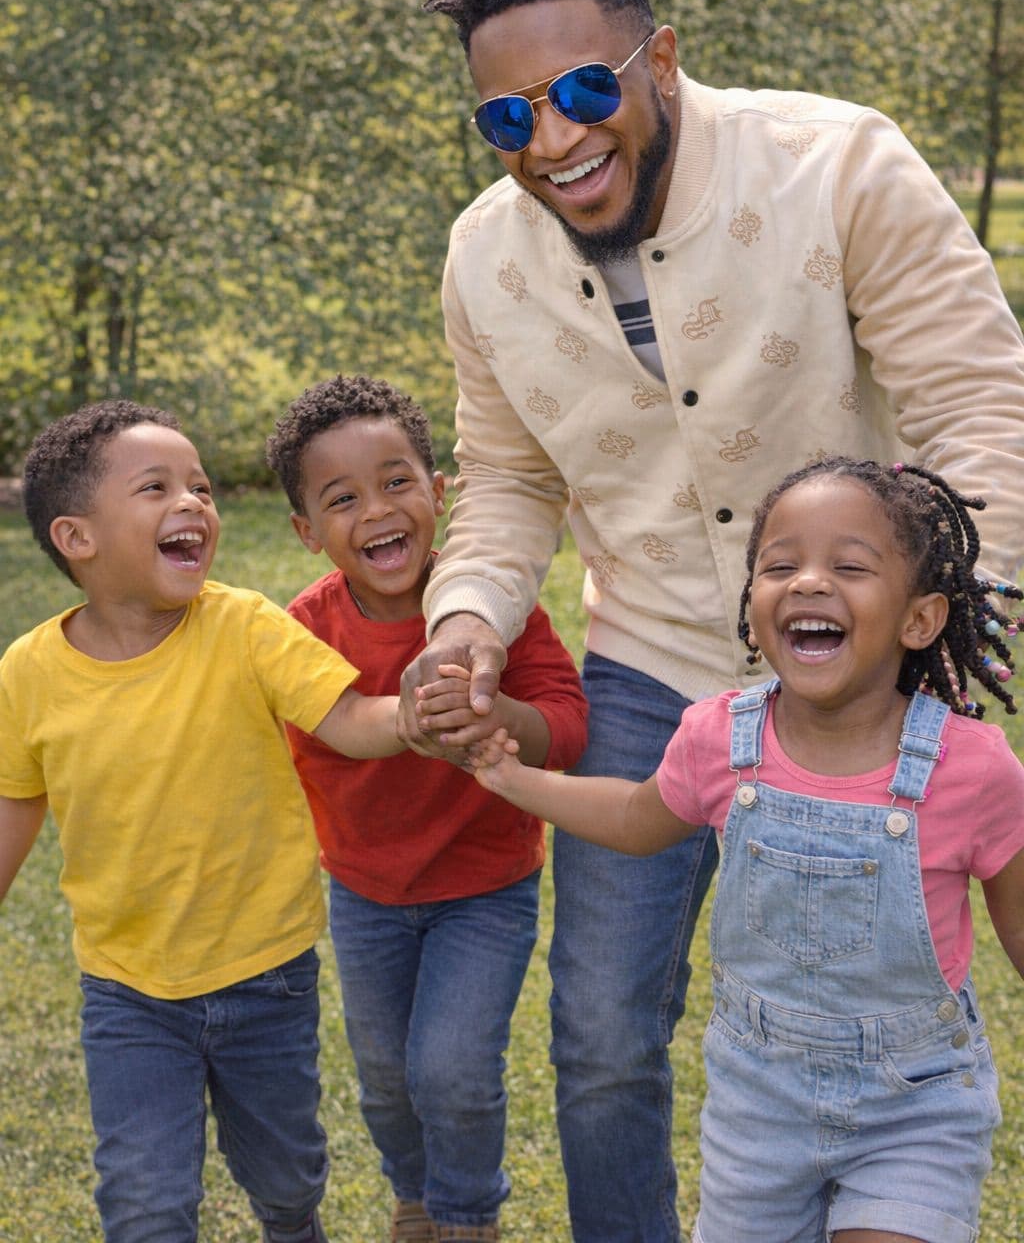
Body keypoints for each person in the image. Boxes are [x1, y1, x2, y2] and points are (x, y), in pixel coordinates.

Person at [402, 0, 1024, 1241]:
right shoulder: (480, 260)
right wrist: (461, 626)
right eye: (507, 120)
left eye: (582, 92)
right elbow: (510, 485)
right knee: (603, 1031)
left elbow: (980, 408)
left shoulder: (839, 165)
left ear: (661, 59)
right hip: (653, 668)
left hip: (869, 677)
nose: (553, 142)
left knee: (868, 1004)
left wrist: (948, 631)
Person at [452, 458, 1024, 1243]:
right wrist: (515, 780)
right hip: (758, 1109)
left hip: (914, 1104)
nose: (808, 583)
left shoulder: (974, 769)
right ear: (753, 609)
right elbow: (633, 816)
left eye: (849, 566)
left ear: (920, 619)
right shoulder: (720, 736)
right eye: (779, 566)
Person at [0, 399, 427, 1243]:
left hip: (264, 970)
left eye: (200, 486)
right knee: (144, 1201)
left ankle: (292, 1224)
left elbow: (349, 718)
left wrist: (415, 710)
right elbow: (15, 803)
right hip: (128, 990)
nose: (193, 502)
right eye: (156, 488)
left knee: (285, 1171)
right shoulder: (30, 672)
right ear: (76, 538)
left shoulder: (243, 626)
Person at [264, 374, 587, 1243]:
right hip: (365, 891)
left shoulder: (490, 612)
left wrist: (499, 716)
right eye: (343, 498)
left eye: (398, 482)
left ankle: (465, 1214)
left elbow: (566, 724)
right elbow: (289, 740)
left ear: (439, 494)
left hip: (485, 886)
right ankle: (413, 1195)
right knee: (384, 1077)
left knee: (451, 1067)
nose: (378, 510)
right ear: (307, 532)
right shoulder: (302, 632)